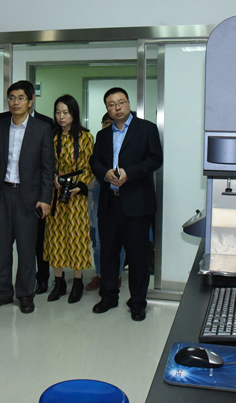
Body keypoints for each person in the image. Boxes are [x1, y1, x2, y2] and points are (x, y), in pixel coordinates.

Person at [0, 81, 53, 294]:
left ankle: (25, 293)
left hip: (28, 196)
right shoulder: (0, 125)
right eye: (12, 98)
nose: (15, 102)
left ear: (30, 101)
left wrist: (45, 198)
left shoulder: (42, 128)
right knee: (1, 247)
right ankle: (2, 292)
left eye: (21, 98)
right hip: (2, 194)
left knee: (26, 249)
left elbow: (48, 168)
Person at [90, 87, 163, 322]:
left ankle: (138, 303)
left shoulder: (147, 129)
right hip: (109, 204)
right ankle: (109, 297)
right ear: (107, 109)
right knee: (109, 254)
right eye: (111, 105)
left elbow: (155, 159)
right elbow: (94, 161)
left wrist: (128, 174)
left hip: (137, 204)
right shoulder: (102, 135)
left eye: (121, 102)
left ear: (128, 103)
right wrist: (105, 173)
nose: (117, 108)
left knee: (138, 256)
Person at [44, 95, 94, 303]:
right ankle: (59, 282)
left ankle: (78, 281)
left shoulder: (85, 137)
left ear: (74, 114)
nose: (61, 116)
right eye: (58, 112)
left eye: (65, 112)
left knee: (76, 238)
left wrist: (79, 186)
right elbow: (45, 163)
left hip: (76, 195)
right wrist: (53, 178)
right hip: (55, 194)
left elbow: (90, 166)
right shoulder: (50, 136)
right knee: (55, 238)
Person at [85, 113, 125, 293]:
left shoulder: (123, 142)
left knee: (118, 237)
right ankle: (100, 274)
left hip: (122, 191)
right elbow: (93, 164)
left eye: (111, 122)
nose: (107, 125)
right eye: (105, 122)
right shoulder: (100, 140)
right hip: (100, 190)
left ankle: (116, 275)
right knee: (97, 236)